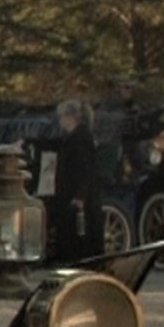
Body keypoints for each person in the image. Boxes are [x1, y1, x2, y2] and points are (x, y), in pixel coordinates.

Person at [49, 97, 104, 264]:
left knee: (81, 238)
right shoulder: (73, 139)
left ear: (70, 117)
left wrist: (80, 196)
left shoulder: (81, 139)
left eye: (62, 117)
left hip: (79, 198)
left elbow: (86, 170)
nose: (60, 121)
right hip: (71, 194)